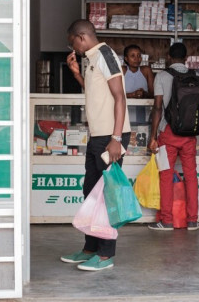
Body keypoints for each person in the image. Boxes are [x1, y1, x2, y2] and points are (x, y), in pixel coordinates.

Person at [60, 19, 131, 271]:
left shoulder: (105, 54)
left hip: (110, 137)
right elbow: (95, 93)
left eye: (73, 44)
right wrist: (77, 74)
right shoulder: (90, 59)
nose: (74, 49)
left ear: (81, 37)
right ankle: (90, 248)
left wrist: (116, 139)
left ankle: (105, 256)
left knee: (105, 197)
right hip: (98, 136)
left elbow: (119, 96)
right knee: (90, 193)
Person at [147, 42, 199, 231]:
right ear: (186, 58)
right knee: (191, 176)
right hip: (189, 134)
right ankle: (193, 220)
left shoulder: (162, 76)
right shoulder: (196, 75)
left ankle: (167, 221)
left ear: (169, 57)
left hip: (168, 133)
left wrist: (153, 136)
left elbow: (157, 107)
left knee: (166, 176)